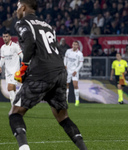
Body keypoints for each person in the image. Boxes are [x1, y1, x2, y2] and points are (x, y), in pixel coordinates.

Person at [9, 1, 87, 150]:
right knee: (63, 117)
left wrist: (24, 66)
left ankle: (24, 148)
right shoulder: (46, 24)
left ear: (23, 7)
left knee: (15, 113)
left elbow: (30, 41)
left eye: (18, 6)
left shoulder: (22, 22)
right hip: (59, 71)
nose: (16, 9)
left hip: (42, 71)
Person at [0, 30, 23, 106]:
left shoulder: (15, 46)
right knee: (12, 91)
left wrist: (25, 65)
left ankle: (14, 108)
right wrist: (0, 66)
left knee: (10, 88)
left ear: (10, 37)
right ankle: (18, 106)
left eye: (6, 36)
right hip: (7, 73)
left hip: (15, 71)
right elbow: (2, 58)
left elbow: (21, 56)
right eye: (4, 36)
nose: (5, 38)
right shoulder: (2, 48)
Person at [64, 41, 84, 106]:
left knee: (75, 85)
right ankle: (66, 100)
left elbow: (81, 63)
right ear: (72, 45)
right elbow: (65, 58)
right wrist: (65, 65)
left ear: (78, 46)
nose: (74, 45)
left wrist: (76, 70)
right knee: (67, 85)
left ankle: (77, 100)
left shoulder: (80, 53)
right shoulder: (68, 51)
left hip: (74, 71)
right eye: (73, 44)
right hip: (68, 70)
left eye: (76, 45)